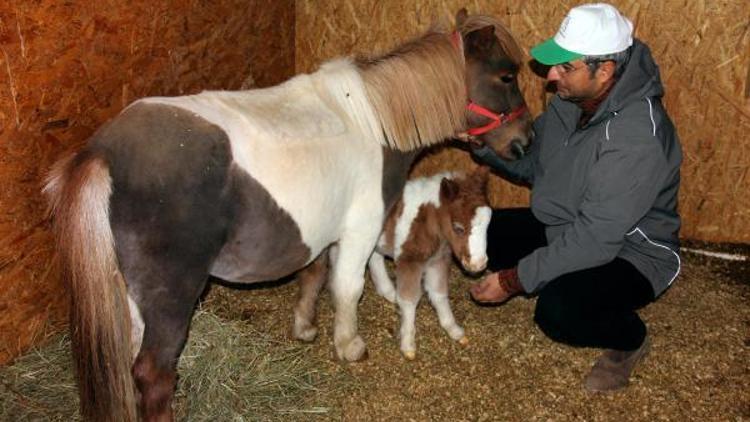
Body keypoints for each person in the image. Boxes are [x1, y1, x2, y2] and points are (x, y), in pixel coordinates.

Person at [465, 3, 682, 392]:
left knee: (559, 311)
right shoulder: (571, 101)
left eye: (565, 68)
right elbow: (534, 166)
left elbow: (595, 240)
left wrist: (515, 280)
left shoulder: (637, 138)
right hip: (565, 224)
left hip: (630, 252)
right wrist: (481, 143)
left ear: (606, 70)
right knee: (479, 233)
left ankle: (630, 340)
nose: (551, 77)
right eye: (555, 65)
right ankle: (554, 273)